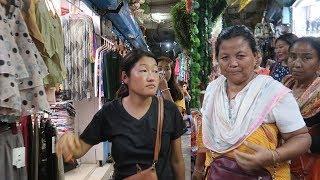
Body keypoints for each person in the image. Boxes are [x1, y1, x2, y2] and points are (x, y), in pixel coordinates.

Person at [199, 25, 311, 180]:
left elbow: (302, 138)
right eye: (225, 57)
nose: (232, 63)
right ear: (217, 59)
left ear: (256, 57)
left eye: (240, 56)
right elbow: (205, 133)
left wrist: (273, 156)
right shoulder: (213, 89)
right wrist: (199, 169)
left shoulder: (272, 92)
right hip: (216, 173)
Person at [56, 49, 186, 180]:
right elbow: (78, 150)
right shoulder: (110, 112)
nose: (152, 77)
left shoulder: (169, 110)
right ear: (125, 77)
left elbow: (177, 161)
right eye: (144, 70)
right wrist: (67, 139)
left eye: (155, 71)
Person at [283, 37, 320, 180]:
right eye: (292, 56)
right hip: (282, 162)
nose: (297, 64)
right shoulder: (284, 85)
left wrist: (300, 143)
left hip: (311, 166)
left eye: (307, 58)